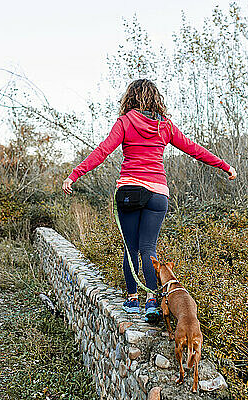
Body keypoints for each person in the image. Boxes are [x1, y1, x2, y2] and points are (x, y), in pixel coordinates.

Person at [62, 79, 236, 322]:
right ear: (156, 99)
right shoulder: (165, 127)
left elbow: (102, 151)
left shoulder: (125, 122)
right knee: (148, 249)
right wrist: (224, 165)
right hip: (157, 194)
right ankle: (152, 302)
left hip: (130, 192)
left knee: (131, 248)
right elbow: (195, 149)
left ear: (130, 98)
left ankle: (132, 299)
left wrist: (74, 174)